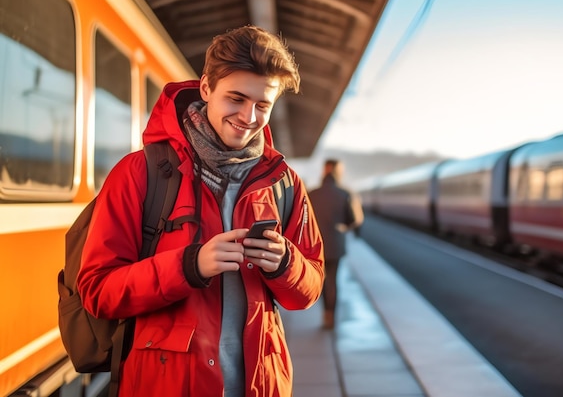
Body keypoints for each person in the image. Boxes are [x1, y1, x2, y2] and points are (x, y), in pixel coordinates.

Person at [77, 26, 325, 397]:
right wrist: (188, 266)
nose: (248, 116)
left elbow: (308, 290)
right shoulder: (139, 174)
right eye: (236, 99)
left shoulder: (285, 182)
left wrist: (287, 262)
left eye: (263, 105)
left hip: (262, 385)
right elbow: (97, 291)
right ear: (206, 88)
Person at [308, 159, 363, 329]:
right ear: (335, 171)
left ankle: (325, 313)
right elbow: (354, 220)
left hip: (315, 243)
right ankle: (331, 315)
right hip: (336, 243)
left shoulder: (311, 194)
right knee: (333, 279)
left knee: (321, 278)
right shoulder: (344, 194)